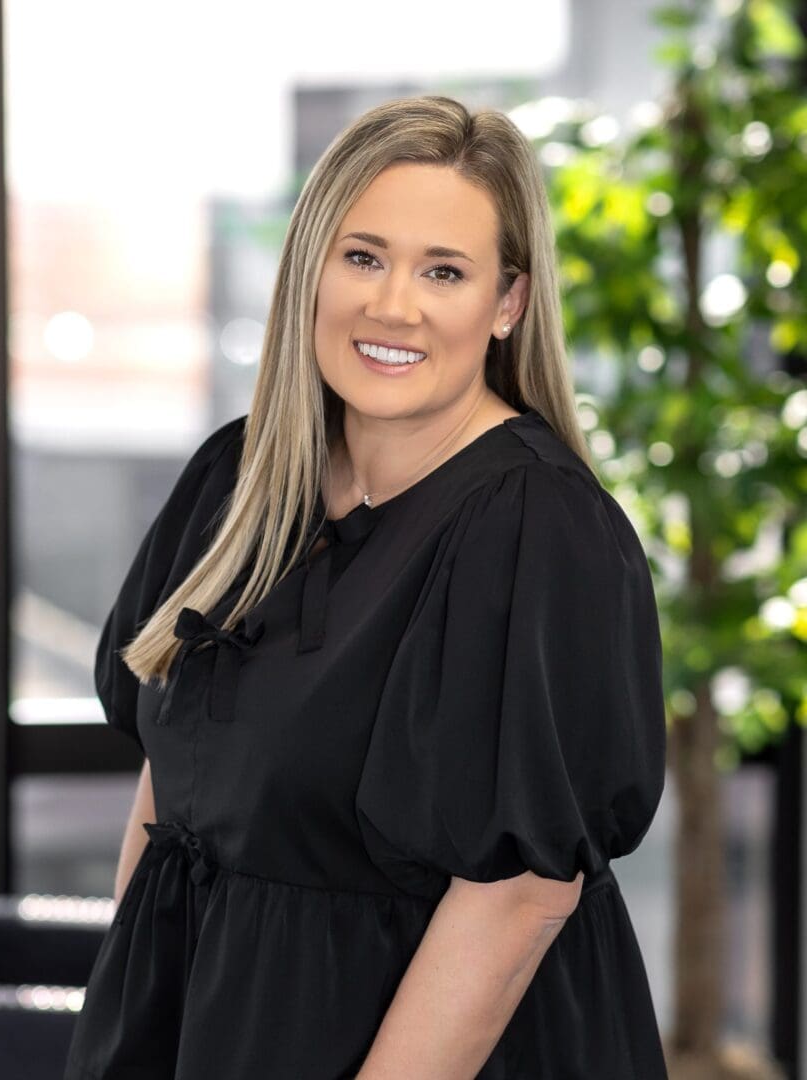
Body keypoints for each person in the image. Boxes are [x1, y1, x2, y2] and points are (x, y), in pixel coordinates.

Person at [63, 94, 668, 1079]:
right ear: (310, 269)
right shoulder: (237, 479)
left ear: (507, 303)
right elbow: (170, 799)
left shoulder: (534, 530)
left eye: (444, 271)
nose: (394, 305)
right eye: (363, 256)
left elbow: (519, 894)